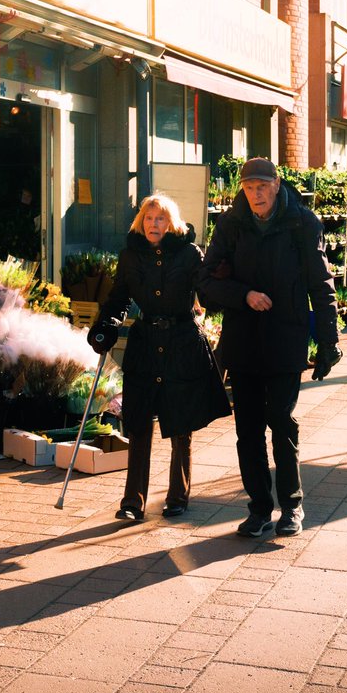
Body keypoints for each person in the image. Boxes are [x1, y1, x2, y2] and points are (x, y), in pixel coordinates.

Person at [198, 158, 341, 540]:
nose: (255, 193)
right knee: (247, 430)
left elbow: (321, 283)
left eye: (262, 185)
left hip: (284, 338)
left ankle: (292, 506)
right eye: (249, 187)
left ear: (277, 185)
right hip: (243, 341)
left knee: (281, 422)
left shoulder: (302, 223)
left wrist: (329, 342)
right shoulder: (231, 225)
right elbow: (205, 282)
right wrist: (243, 294)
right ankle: (259, 507)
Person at [88, 194, 231, 523]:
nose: (155, 224)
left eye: (161, 219)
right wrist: (105, 327)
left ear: (172, 224)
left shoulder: (190, 254)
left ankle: (178, 495)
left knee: (181, 424)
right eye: (149, 218)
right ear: (141, 222)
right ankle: (132, 501)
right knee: (138, 423)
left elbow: (207, 295)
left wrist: (222, 278)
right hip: (145, 344)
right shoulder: (130, 256)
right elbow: (117, 299)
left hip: (182, 343)